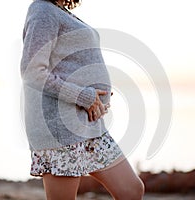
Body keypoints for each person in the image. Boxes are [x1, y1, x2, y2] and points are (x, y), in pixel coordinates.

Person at [20, 0, 144, 199]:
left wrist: (96, 91)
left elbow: (67, 64)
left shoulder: (61, 11)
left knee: (131, 190)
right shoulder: (42, 10)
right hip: (60, 129)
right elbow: (32, 71)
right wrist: (84, 95)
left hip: (89, 126)